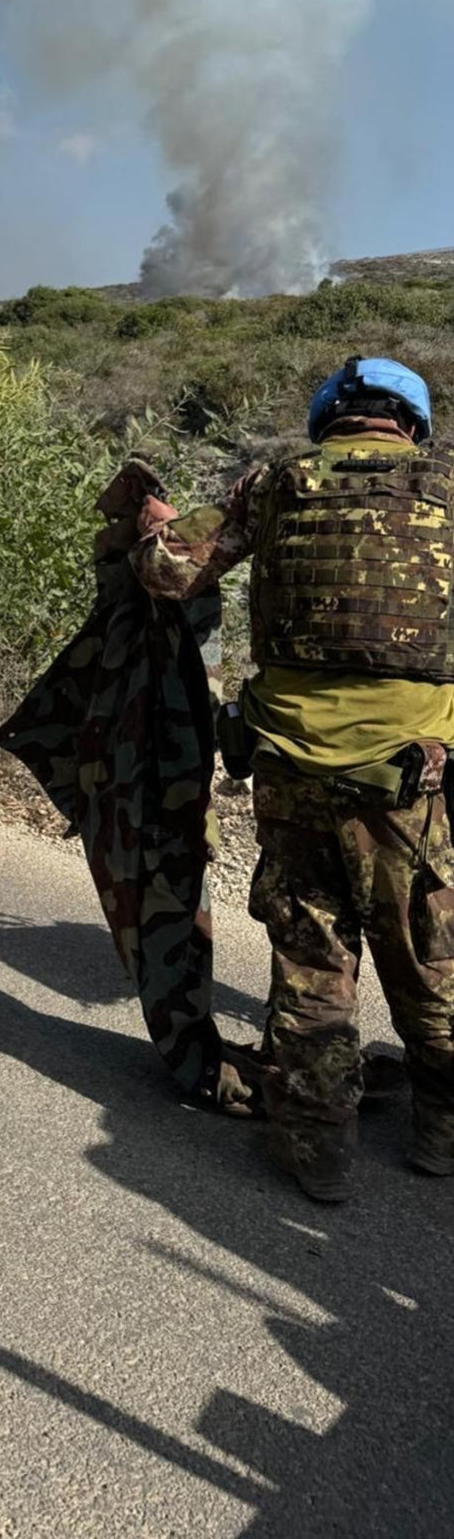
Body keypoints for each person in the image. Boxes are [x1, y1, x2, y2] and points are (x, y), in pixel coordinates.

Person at [128, 356, 454, 1202]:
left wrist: (159, 524)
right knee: (429, 953)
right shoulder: (449, 486)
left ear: (330, 416)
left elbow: (167, 570)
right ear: (411, 421)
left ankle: (318, 1154)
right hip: (410, 778)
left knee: (312, 957)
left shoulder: (273, 482)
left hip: (290, 767)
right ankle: (441, 1135)